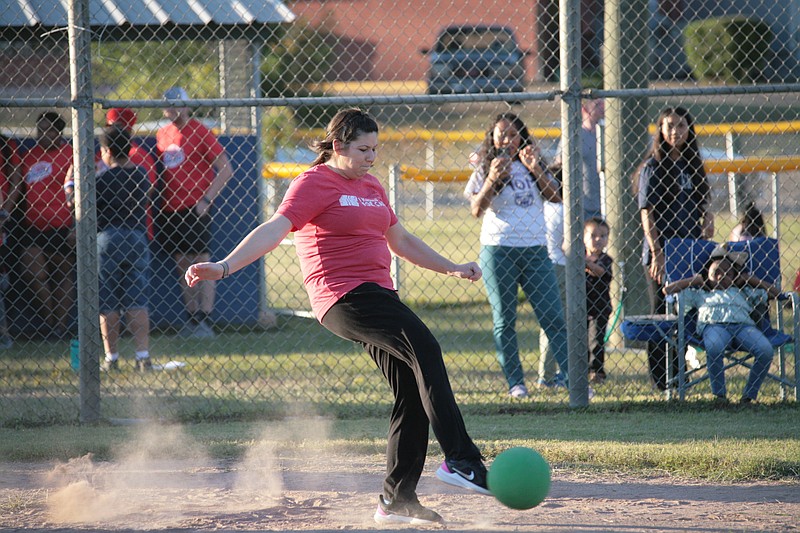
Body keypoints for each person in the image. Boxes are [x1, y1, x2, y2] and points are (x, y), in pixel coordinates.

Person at [185, 108, 491, 525]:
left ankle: (397, 500)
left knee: (411, 388)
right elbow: (275, 229)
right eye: (363, 149)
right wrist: (223, 266)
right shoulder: (314, 182)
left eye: (375, 149)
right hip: (343, 297)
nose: (371, 157)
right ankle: (460, 459)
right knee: (426, 348)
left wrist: (451, 267)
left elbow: (400, 239)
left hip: (380, 294)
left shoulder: (371, 185)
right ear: (338, 145)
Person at [464, 112, 568, 399]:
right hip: (499, 251)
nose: (508, 139)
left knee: (553, 318)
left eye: (513, 134)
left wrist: (535, 169)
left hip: (536, 251)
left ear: (522, 136)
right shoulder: (486, 167)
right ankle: (516, 383)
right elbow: (476, 210)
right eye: (501, 134)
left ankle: (574, 380)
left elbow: (556, 196)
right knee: (504, 320)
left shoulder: (532, 164)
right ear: (493, 138)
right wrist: (492, 179)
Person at [635, 106, 713, 391]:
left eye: (681, 126)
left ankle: (679, 373)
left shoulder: (692, 163)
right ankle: (662, 379)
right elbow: (647, 212)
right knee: (662, 313)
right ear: (660, 130)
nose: (675, 131)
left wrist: (708, 218)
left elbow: (703, 200)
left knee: (686, 313)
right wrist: (657, 253)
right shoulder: (653, 166)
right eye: (669, 126)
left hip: (690, 250)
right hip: (664, 251)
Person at [157, 87, 233, 339]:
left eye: (176, 104)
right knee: (182, 265)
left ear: (187, 106)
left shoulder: (199, 131)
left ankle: (205, 319)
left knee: (202, 262)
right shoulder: (163, 133)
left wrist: (206, 200)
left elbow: (225, 169)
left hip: (194, 208)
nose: (172, 109)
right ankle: (191, 319)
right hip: (171, 209)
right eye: (168, 104)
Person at [662, 245, 780, 403]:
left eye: (728, 274)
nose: (721, 277)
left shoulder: (742, 291)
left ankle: (748, 396)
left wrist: (750, 280)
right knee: (714, 347)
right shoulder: (701, 293)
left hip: (744, 327)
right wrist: (694, 280)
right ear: (707, 275)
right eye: (716, 272)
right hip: (714, 326)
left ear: (734, 277)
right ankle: (720, 396)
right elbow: (667, 290)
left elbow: (777, 294)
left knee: (765, 350)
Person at [93, 126, 153, 372]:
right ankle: (142, 356)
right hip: (137, 237)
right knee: (136, 298)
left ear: (107, 150)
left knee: (109, 300)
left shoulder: (101, 179)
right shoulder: (141, 175)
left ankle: (112, 357)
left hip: (108, 237)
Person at [19, 112, 75, 339]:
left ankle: (59, 328)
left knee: (63, 275)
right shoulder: (29, 156)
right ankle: (50, 319)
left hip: (63, 225)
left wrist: (74, 227)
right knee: (35, 273)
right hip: (33, 226)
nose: (44, 134)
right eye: (40, 129)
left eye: (49, 130)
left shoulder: (72, 154)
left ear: (58, 132)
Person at [537, 165, 567, 389]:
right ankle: (551, 376)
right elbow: (568, 246)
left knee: (548, 323)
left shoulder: (541, 206)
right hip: (559, 266)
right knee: (558, 323)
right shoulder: (562, 208)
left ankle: (547, 374)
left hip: (543, 264)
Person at [554, 98, 605, 220]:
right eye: (597, 104)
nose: (602, 107)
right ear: (584, 109)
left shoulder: (605, 133)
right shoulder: (575, 135)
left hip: (604, 201)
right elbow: (558, 162)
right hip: (582, 203)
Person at [584, 217, 613, 383]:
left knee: (596, 340)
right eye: (593, 235)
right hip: (583, 306)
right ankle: (583, 369)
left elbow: (600, 272)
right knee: (582, 340)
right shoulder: (579, 257)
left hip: (600, 307)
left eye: (603, 236)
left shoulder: (605, 259)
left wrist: (586, 264)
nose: (598, 239)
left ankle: (597, 371)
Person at [0, 134, 22, 349]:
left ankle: (4, 332)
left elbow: (15, 178)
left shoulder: (5, 144)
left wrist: (4, 212)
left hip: (2, 218)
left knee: (4, 280)